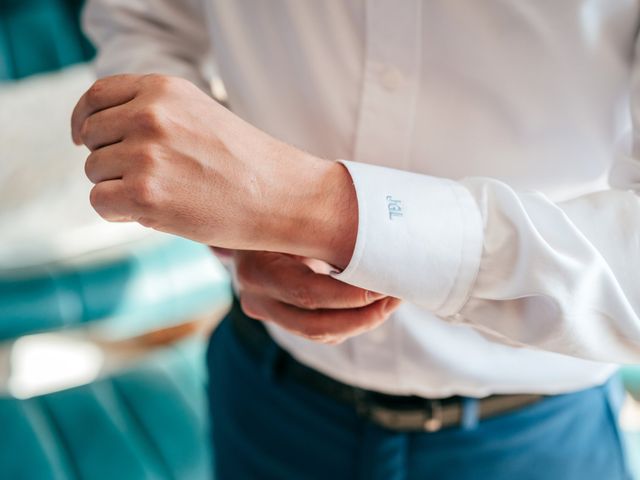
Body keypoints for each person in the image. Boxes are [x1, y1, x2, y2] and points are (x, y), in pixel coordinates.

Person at [72, 2, 640, 479]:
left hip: (536, 444)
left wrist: (316, 210)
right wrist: (225, 209)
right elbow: (143, 19)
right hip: (266, 394)